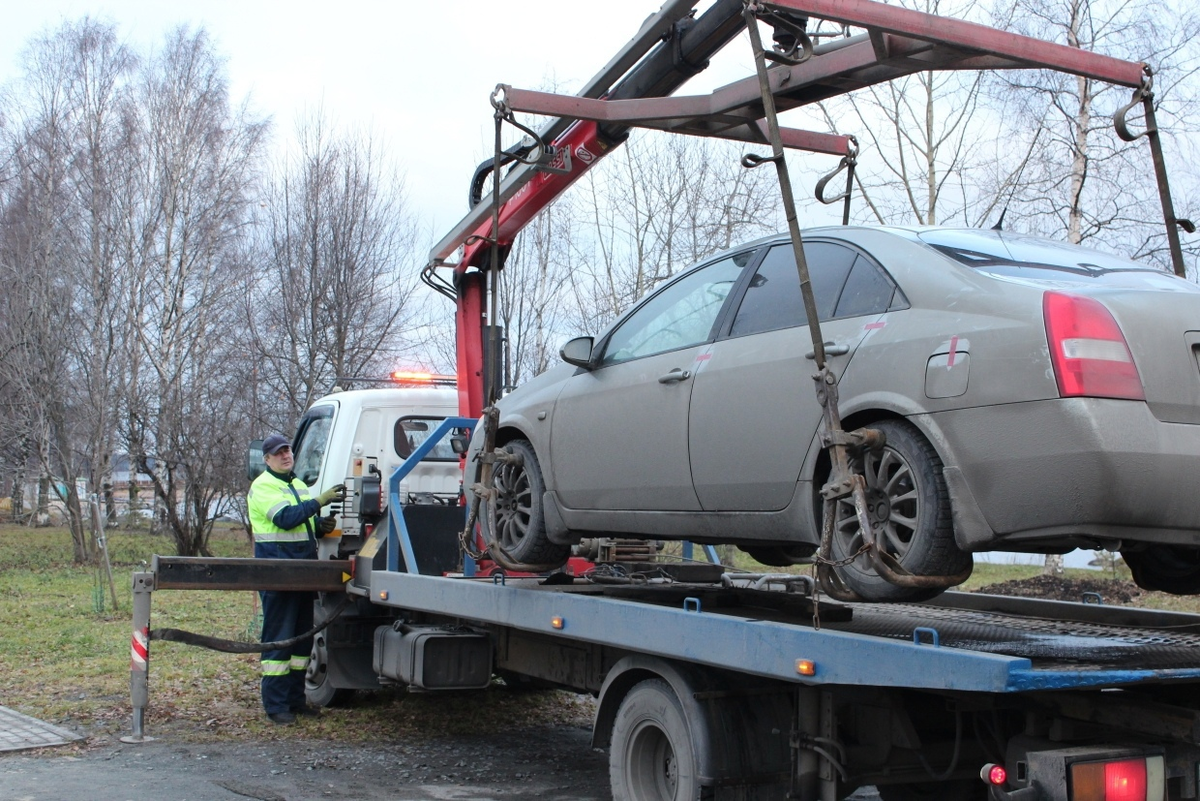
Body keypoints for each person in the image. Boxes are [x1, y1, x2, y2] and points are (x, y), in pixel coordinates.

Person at [247, 433, 344, 725]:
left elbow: (303, 524)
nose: (286, 455)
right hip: (278, 573)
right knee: (279, 641)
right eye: (278, 453)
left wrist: (321, 527)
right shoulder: (263, 486)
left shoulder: (298, 485)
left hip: (302, 571)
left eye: (287, 450)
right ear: (267, 459)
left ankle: (295, 701)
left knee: (302, 641)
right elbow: (286, 519)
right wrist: (319, 501)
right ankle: (276, 706)